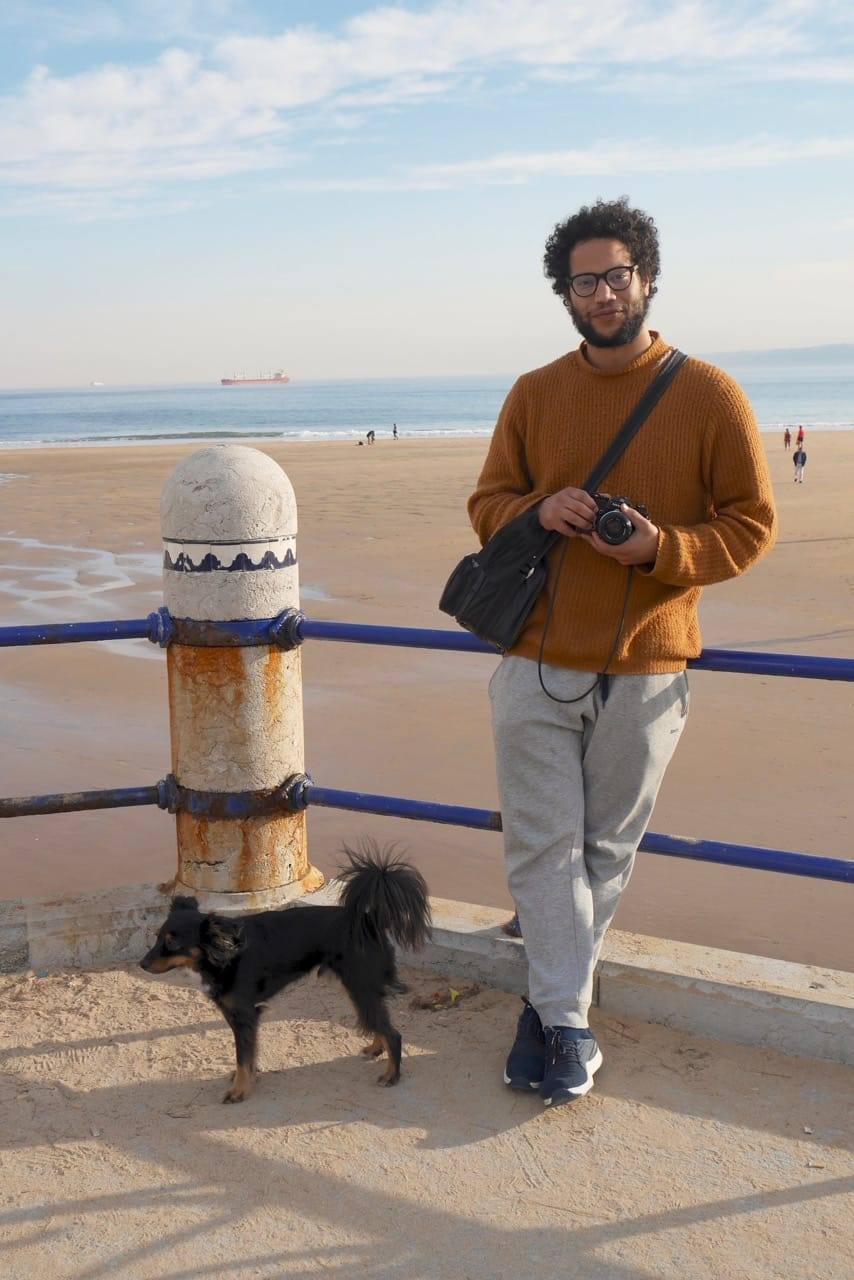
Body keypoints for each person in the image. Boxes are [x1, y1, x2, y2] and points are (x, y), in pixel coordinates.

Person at [467, 196, 776, 1108]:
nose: (603, 294)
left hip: (649, 663)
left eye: (616, 275)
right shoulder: (534, 393)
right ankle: (567, 1021)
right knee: (541, 847)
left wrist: (658, 548)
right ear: (564, 295)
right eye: (584, 282)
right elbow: (487, 504)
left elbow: (751, 525)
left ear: (646, 278)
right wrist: (539, 509)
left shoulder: (711, 394)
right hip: (536, 657)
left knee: (604, 848)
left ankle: (549, 1011)